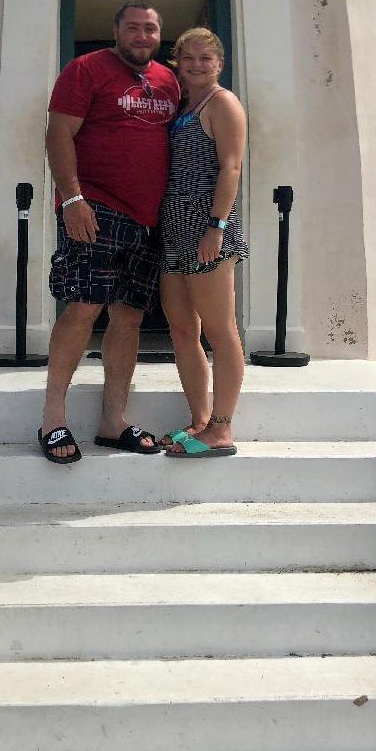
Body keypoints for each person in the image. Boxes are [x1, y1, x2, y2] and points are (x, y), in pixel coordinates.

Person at [35, 1, 180, 463]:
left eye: (150, 29)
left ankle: (112, 421)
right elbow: (59, 133)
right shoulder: (86, 69)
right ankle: (53, 419)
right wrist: (72, 197)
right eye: (133, 27)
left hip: (147, 218)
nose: (142, 35)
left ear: (159, 35)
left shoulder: (167, 80)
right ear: (116, 30)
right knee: (84, 306)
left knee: (129, 316)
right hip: (94, 207)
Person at [157, 25, 249, 456]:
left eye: (206, 58)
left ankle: (222, 428)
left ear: (219, 64)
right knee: (181, 328)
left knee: (219, 329)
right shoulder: (180, 107)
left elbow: (230, 169)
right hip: (172, 225)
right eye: (189, 57)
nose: (197, 65)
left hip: (206, 224)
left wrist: (216, 225)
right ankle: (200, 421)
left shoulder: (223, 103)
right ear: (178, 61)